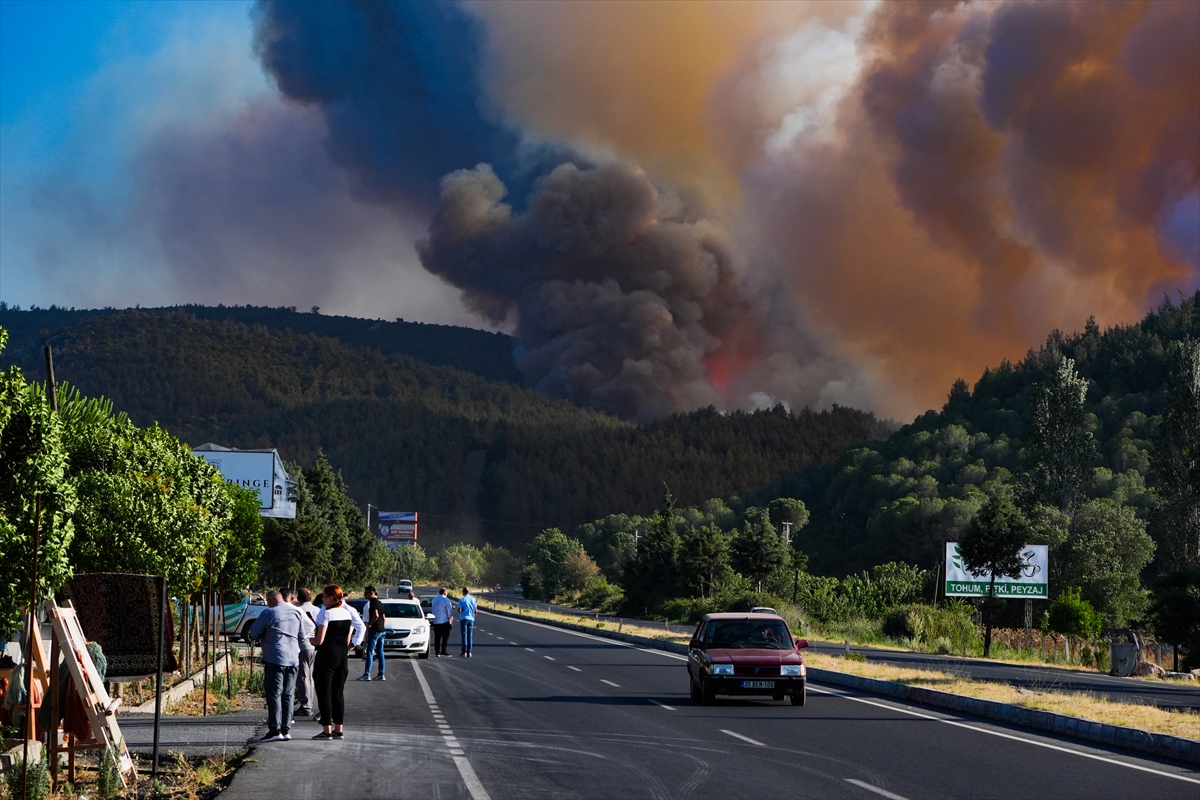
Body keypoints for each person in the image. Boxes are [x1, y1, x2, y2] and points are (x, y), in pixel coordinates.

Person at [248, 589, 307, 742]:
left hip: (275, 657)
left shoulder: (269, 613)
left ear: (269, 601)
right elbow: (302, 635)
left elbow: (253, 633)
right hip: (293, 657)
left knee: (274, 694)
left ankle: (275, 730)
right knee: (288, 694)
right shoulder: (296, 612)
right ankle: (286, 729)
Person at [310, 584, 366, 740]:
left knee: (324, 693)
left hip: (326, 654)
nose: (322, 598)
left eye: (325, 596)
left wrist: (307, 638)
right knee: (338, 693)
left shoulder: (326, 614)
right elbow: (349, 636)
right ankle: (338, 729)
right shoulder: (347, 614)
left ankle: (326, 730)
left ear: (332, 598)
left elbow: (319, 640)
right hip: (342, 655)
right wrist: (350, 646)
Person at [294, 587, 320, 716]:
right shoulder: (318, 610)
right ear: (310, 598)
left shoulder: (298, 611)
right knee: (310, 677)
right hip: (314, 646)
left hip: (302, 646)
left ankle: (306, 705)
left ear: (298, 599)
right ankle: (309, 702)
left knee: (303, 676)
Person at [359, 586, 387, 681]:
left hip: (375, 630)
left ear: (371, 593)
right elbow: (383, 618)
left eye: (366, 593)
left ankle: (367, 674)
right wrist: (381, 626)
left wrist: (370, 625)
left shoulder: (373, 603)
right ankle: (381, 674)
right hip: (382, 631)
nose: (365, 595)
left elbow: (376, 615)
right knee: (380, 652)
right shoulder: (380, 603)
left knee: (370, 652)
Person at [431, 588, 454, 657]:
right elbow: (449, 610)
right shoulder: (446, 600)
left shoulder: (434, 599)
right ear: (445, 593)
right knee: (445, 637)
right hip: (444, 621)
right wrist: (450, 618)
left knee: (437, 637)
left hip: (436, 621)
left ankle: (437, 652)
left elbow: (432, 609)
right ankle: (443, 651)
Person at [456, 587, 478, 658]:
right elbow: (476, 611)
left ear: (463, 592)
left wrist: (459, 611)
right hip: (471, 619)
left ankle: (464, 652)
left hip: (464, 618)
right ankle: (469, 652)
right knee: (470, 636)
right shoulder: (474, 600)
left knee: (464, 636)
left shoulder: (462, 600)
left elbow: (459, 610)